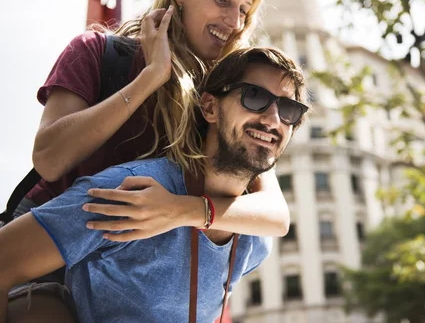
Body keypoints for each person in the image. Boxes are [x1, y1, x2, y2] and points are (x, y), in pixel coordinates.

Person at [1, 47, 309, 323]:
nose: (272, 119)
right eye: (254, 97)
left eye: (289, 110)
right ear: (211, 108)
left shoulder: (255, 241)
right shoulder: (133, 192)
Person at [19, 0, 291, 245]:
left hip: (138, 280)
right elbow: (49, 160)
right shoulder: (96, 51)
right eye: (221, 0)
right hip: (51, 262)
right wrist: (151, 77)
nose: (235, 21)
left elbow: (275, 215)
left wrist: (181, 210)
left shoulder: (225, 94)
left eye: (244, 9)